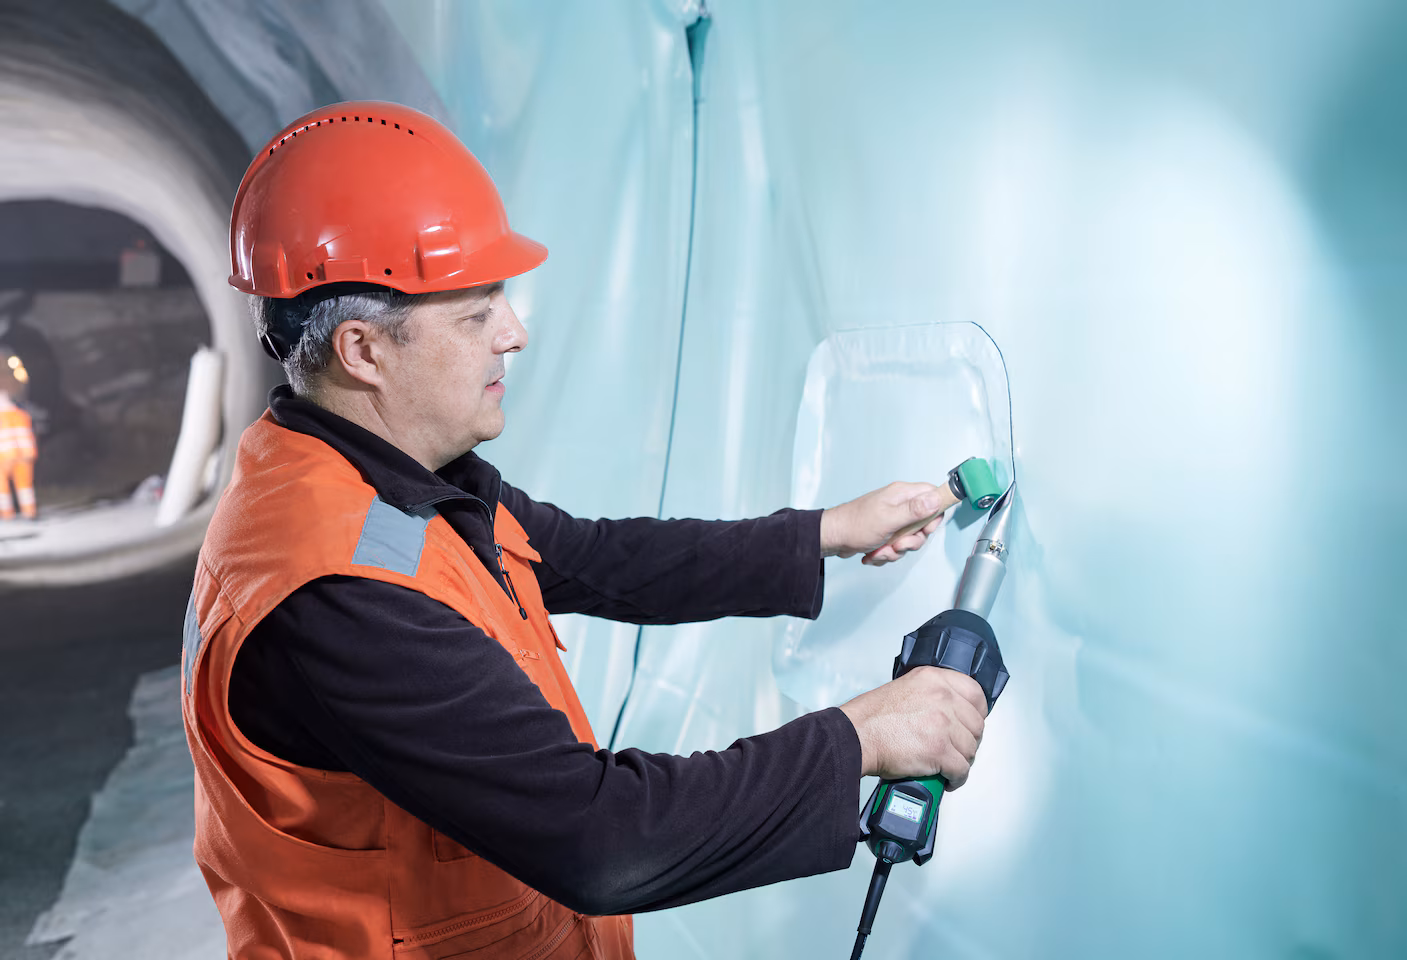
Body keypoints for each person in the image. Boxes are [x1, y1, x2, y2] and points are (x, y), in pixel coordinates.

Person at [182, 101, 988, 959]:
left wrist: (825, 532)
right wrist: (861, 737)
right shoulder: (336, 593)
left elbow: (599, 558)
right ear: (363, 351)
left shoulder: (384, 482)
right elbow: (600, 837)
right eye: (476, 313)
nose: (514, 332)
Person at [0, 389, 37, 521]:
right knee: (25, 486)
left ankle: (7, 515)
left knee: (2, 488)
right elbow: (26, 434)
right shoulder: (20, 415)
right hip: (23, 455)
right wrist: (29, 453)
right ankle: (29, 512)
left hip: (3, 456)